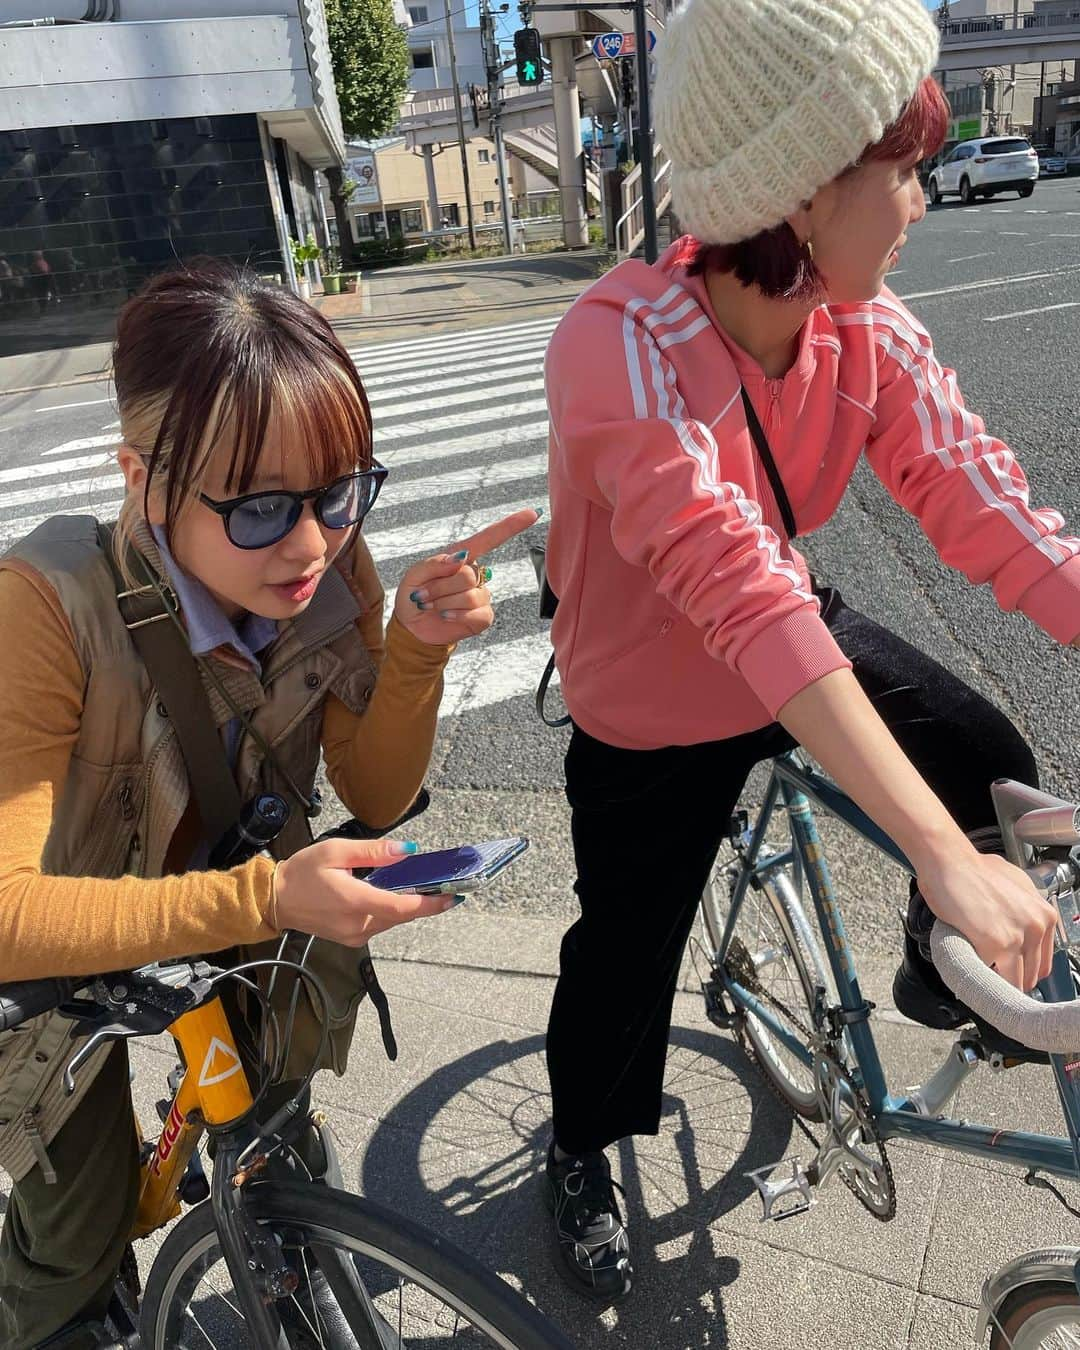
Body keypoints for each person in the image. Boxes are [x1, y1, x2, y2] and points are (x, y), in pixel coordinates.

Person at [541, 0, 1074, 1304]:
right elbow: (730, 580)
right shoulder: (615, 346)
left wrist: (953, 853)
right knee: (626, 956)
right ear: (805, 188)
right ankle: (579, 1149)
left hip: (785, 632)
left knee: (989, 753)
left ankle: (922, 976)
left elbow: (989, 510)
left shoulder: (860, 331)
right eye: (904, 172)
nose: (920, 203)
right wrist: (946, 860)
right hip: (652, 703)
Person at [0, 259, 537, 1349]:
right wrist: (271, 898)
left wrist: (416, 655)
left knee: (275, 1137)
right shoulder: (46, 608)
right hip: (62, 961)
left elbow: (374, 791)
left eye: (341, 492)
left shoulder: (336, 570)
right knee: (75, 1231)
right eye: (257, 507)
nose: (309, 541)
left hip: (251, 907)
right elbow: (10, 919)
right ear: (144, 480)